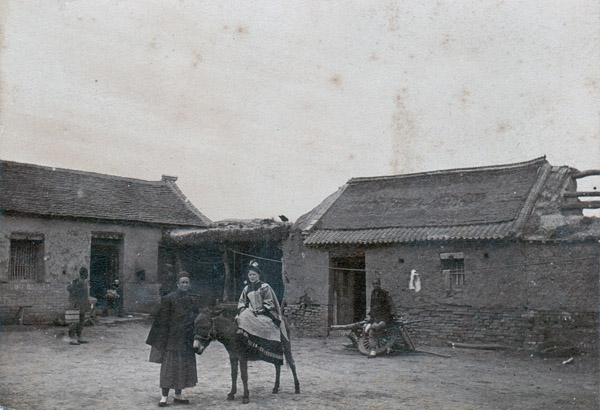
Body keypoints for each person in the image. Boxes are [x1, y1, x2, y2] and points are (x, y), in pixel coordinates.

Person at [146, 272, 201, 407]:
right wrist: (162, 341)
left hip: (186, 339)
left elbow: (196, 320)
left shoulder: (193, 299)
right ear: (177, 284)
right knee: (169, 368)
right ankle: (164, 396)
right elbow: (162, 321)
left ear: (189, 284)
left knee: (183, 368)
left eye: (187, 282)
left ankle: (178, 395)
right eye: (182, 282)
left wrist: (196, 336)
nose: (185, 284)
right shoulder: (169, 299)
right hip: (172, 339)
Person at [236, 260, 288, 365]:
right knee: (240, 318)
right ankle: (248, 345)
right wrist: (242, 308)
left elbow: (269, 301)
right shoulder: (247, 288)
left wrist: (262, 309)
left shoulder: (265, 287)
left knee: (267, 324)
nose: (252, 277)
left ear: (259, 275)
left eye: (254, 275)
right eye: (250, 275)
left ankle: (266, 346)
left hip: (264, 311)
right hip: (251, 311)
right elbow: (242, 301)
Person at [364, 278, 394, 358]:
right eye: (374, 284)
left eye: (377, 283)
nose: (375, 285)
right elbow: (372, 306)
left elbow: (391, 305)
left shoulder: (384, 293)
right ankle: (373, 351)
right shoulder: (373, 294)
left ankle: (371, 326)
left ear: (379, 284)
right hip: (376, 317)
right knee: (372, 332)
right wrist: (371, 316)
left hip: (385, 317)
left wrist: (392, 314)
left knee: (377, 327)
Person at [67, 267, 91, 345]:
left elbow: (85, 295)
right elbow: (69, 289)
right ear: (82, 274)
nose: (86, 275)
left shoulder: (84, 282)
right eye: (85, 274)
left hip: (82, 304)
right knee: (74, 321)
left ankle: (79, 337)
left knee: (81, 320)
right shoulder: (76, 282)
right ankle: (72, 338)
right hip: (75, 304)